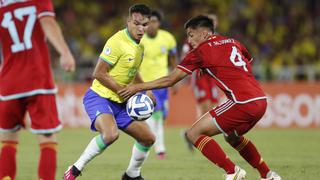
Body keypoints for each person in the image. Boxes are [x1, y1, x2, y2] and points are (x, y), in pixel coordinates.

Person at [118, 15, 281, 180]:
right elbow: (247, 61)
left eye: (191, 34)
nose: (189, 40)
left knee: (193, 133)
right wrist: (210, 66)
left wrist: (138, 87)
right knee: (232, 136)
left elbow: (170, 79)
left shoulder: (200, 52)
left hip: (241, 102)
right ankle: (268, 175)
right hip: (260, 99)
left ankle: (232, 171)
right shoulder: (233, 42)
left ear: (204, 34)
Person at [63, 4, 155, 180]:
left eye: (145, 24)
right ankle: (74, 169)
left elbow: (132, 71)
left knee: (148, 138)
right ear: (128, 21)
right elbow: (98, 73)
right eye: (137, 23)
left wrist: (146, 90)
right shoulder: (117, 42)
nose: (141, 29)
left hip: (120, 102)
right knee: (111, 134)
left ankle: (132, 175)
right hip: (100, 97)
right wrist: (122, 91)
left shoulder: (139, 47)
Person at [0, 0, 76, 179]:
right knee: (47, 139)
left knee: (8, 139)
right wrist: (65, 52)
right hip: (38, 80)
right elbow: (48, 22)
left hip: (9, 82)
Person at [139, 10, 178, 159]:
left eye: (154, 22)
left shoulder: (167, 38)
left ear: (159, 23)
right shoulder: (141, 40)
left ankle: (155, 146)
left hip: (162, 84)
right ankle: (158, 147)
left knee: (160, 116)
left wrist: (176, 79)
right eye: (149, 22)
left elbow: (173, 58)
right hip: (145, 84)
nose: (151, 25)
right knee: (150, 115)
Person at [180, 13, 220, 152]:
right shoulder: (192, 40)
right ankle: (194, 135)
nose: (213, 24)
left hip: (212, 77)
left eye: (214, 21)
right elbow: (184, 57)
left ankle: (191, 133)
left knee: (213, 108)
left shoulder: (217, 38)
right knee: (205, 108)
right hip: (199, 77)